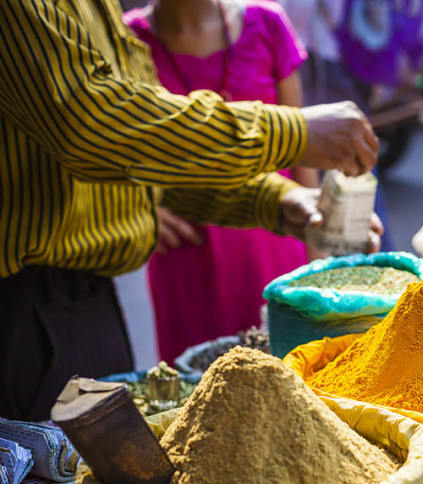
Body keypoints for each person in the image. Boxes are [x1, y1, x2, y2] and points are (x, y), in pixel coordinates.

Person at [0, 0, 380, 421]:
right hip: (27, 308)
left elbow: (147, 163)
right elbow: (93, 124)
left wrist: (277, 199)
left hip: (85, 303)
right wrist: (293, 132)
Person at [124, 0, 323, 362]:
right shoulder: (127, 40)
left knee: (296, 372)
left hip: (276, 232)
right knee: (201, 387)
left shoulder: (266, 23)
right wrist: (137, 205)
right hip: (187, 256)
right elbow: (108, 146)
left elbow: (302, 152)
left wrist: (319, 253)